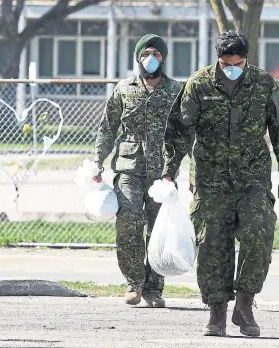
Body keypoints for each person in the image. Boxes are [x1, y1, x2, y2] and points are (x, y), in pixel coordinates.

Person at [162, 30, 279, 337]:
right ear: (217, 59)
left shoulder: (263, 83)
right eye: (225, 63)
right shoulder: (199, 84)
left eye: (236, 63)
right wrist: (170, 171)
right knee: (211, 245)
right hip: (211, 180)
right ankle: (216, 312)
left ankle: (245, 306)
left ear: (246, 59)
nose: (230, 68)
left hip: (253, 178)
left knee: (258, 238)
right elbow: (178, 130)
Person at [93, 34, 182, 307]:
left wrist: (175, 168)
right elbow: (108, 127)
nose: (150, 59)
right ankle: (134, 282)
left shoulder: (176, 91)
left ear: (163, 58)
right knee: (129, 223)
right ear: (138, 56)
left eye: (156, 54)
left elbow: (183, 133)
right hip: (128, 168)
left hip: (163, 173)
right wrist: (98, 160)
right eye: (146, 54)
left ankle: (155, 289)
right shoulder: (123, 89)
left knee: (158, 230)